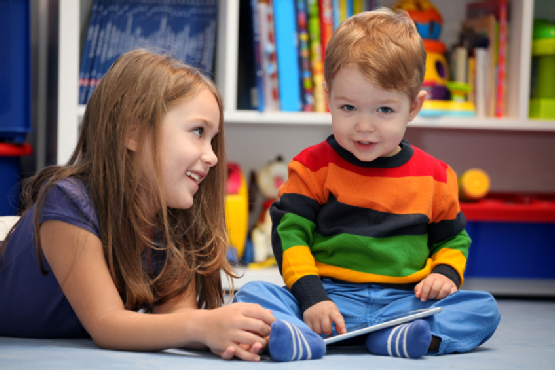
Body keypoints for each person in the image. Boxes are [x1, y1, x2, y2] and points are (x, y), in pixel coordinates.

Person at [233, 8, 501, 360]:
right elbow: (290, 233)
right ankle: (300, 335)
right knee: (250, 295)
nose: (364, 126)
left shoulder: (437, 175)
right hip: (325, 299)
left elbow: (453, 237)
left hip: (405, 303)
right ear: (328, 97)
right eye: (348, 107)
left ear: (414, 106)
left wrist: (445, 273)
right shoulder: (312, 166)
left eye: (384, 110)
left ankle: (397, 338)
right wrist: (312, 297)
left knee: (483, 308)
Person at [0, 49, 291, 362]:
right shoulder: (68, 201)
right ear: (133, 132)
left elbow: (177, 321)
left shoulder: (172, 224)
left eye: (212, 138)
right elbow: (107, 323)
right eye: (198, 131)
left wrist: (233, 335)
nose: (213, 156)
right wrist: (204, 325)